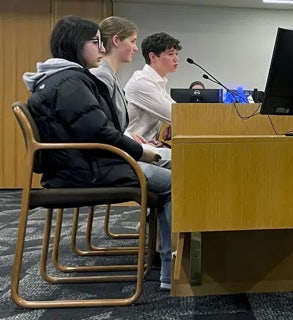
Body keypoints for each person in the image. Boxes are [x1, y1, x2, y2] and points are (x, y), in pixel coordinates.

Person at [22, 16, 171, 290]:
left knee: (171, 170)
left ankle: (168, 259)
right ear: (77, 44)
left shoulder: (63, 79)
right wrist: (142, 153)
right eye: (96, 43)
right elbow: (100, 132)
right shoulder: (70, 83)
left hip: (82, 164)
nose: (102, 50)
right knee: (176, 180)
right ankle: (171, 270)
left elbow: (97, 128)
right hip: (85, 170)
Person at [90, 16, 173, 291]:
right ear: (116, 41)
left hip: (124, 149)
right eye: (132, 42)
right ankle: (171, 261)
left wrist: (128, 135)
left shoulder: (109, 76)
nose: (135, 48)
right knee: (182, 172)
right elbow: (99, 128)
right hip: (117, 158)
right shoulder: (102, 76)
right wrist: (137, 145)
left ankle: (168, 250)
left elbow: (107, 125)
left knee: (177, 166)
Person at [124, 32, 181, 142]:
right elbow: (176, 115)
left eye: (176, 54)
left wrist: (173, 123)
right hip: (130, 149)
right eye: (170, 54)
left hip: (146, 145)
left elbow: (177, 112)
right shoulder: (143, 82)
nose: (176, 59)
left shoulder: (157, 81)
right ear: (153, 57)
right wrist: (174, 121)